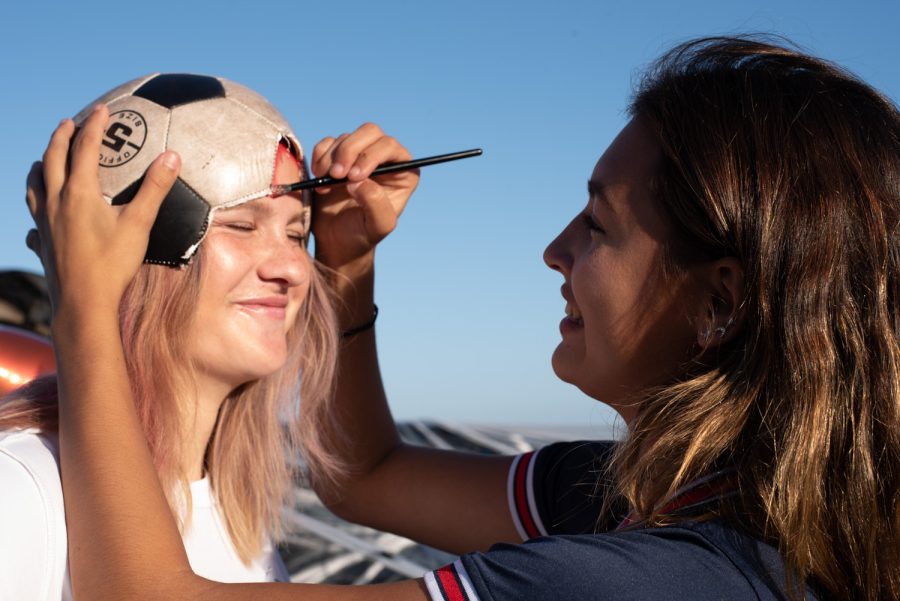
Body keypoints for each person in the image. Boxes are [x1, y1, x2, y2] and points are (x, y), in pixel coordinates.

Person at [30, 36, 900, 600]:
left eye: (597, 224)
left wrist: (86, 309)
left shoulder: (653, 578)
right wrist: (349, 262)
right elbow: (362, 474)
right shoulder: (638, 500)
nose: (555, 250)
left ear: (718, 304)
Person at [0, 75, 418, 601]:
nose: (295, 267)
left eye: (297, 234)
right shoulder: (21, 489)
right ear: (116, 259)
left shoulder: (233, 505)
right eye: (242, 227)